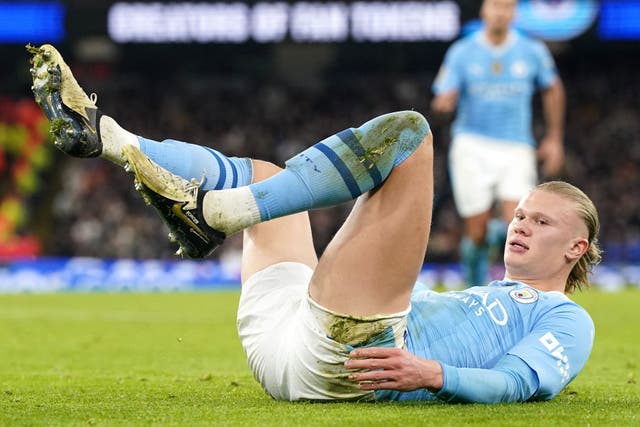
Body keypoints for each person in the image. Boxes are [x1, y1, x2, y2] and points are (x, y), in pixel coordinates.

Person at [30, 44, 599, 403]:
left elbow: (522, 383)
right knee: (263, 174)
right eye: (521, 214)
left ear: (578, 246)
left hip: (348, 360)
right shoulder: (485, 294)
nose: (520, 225)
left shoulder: (565, 318)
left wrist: (434, 375)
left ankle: (211, 216)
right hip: (286, 329)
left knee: (412, 135)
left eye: (541, 221)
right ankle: (111, 136)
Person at [431, 0, 566, 285]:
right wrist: (444, 103)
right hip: (471, 144)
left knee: (518, 224)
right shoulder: (462, 52)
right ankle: (475, 287)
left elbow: (553, 89)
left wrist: (554, 138)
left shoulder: (532, 51)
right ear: (484, 10)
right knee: (476, 232)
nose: (501, 12)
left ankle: (515, 293)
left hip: (516, 146)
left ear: (514, 12)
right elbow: (443, 94)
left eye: (507, 7)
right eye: (496, 6)